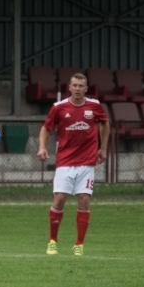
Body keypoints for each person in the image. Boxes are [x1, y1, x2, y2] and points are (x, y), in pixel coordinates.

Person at [37, 72, 109, 256]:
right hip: (65, 161)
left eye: (81, 86)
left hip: (87, 162)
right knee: (60, 198)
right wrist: (42, 147)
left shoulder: (94, 106)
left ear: (86, 88)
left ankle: (79, 244)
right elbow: (46, 128)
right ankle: (52, 241)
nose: (77, 89)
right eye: (74, 85)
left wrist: (103, 148)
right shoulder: (59, 107)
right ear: (69, 87)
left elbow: (104, 124)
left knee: (84, 200)